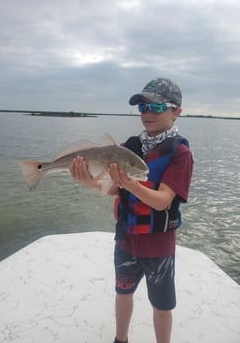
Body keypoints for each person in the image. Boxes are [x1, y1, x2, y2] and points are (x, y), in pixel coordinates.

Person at [69, 78, 193, 343]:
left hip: (159, 243)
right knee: (122, 292)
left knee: (162, 304)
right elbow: (113, 190)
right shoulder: (128, 147)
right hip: (125, 237)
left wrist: (130, 184)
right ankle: (120, 339)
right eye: (142, 107)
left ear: (176, 111)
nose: (148, 113)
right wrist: (89, 181)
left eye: (157, 108)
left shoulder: (180, 153)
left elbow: (162, 201)